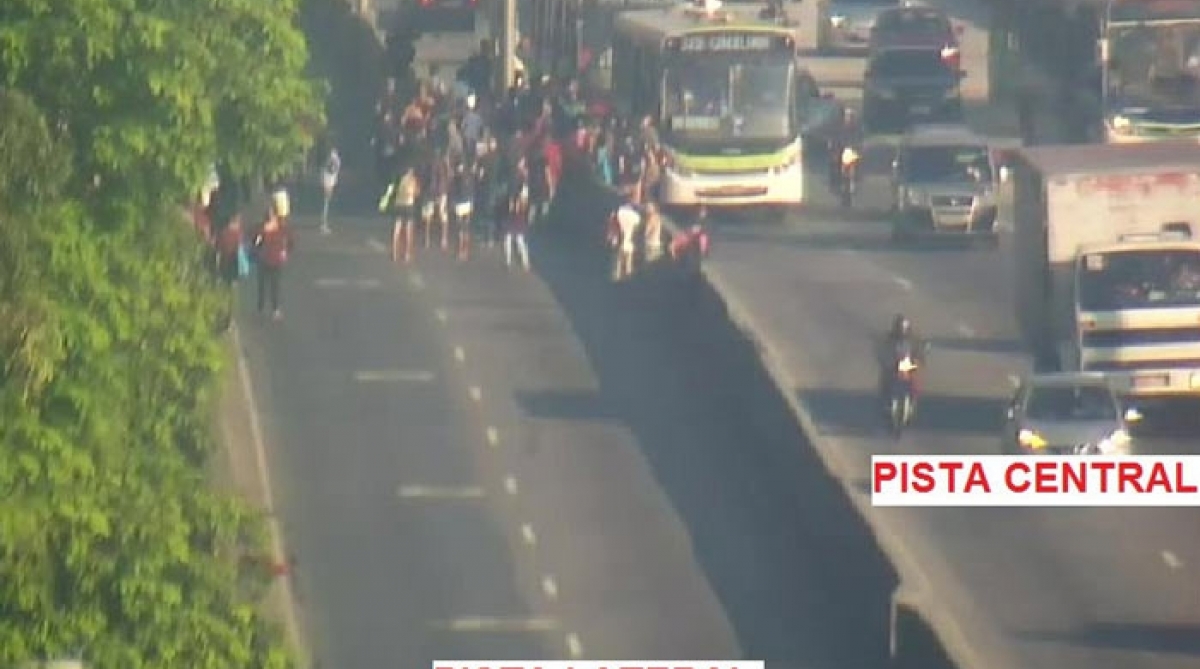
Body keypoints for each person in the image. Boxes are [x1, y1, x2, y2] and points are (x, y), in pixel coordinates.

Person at [253, 191, 294, 321]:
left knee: (263, 285)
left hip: (265, 259)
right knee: (274, 285)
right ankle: (274, 310)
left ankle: (261, 309)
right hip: (275, 260)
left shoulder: (262, 228)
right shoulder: (282, 228)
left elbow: (255, 241)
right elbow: (291, 242)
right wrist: (285, 251)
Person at [878, 314, 927, 401]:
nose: (902, 331)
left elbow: (919, 351)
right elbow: (884, 352)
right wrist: (888, 362)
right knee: (887, 378)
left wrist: (919, 360)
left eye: (904, 328)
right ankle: (886, 396)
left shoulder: (914, 340)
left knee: (915, 380)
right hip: (894, 365)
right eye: (900, 328)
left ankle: (914, 397)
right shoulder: (889, 339)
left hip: (908, 365)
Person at [381, 164, 421, 263]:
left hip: (398, 205)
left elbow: (391, 191)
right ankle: (407, 254)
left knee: (396, 230)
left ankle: (394, 253)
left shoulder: (398, 179)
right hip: (408, 206)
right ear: (410, 170)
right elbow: (417, 193)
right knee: (408, 231)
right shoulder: (413, 179)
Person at [449, 158, 476, 261]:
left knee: (460, 228)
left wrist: (453, 203)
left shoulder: (456, 178)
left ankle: (461, 251)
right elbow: (472, 191)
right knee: (466, 228)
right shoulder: (469, 177)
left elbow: (453, 192)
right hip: (468, 203)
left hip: (460, 204)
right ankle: (466, 250)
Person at [505, 176, 532, 271]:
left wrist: (515, 205)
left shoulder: (521, 199)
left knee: (516, 240)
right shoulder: (520, 197)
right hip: (516, 219)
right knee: (514, 239)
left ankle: (522, 261)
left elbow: (514, 208)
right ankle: (513, 261)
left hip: (517, 219)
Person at [320, 146, 341, 234]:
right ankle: (323, 223)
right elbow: (332, 171)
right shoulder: (334, 160)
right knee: (326, 203)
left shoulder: (331, 160)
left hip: (328, 182)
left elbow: (332, 171)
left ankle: (324, 222)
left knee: (326, 203)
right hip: (328, 182)